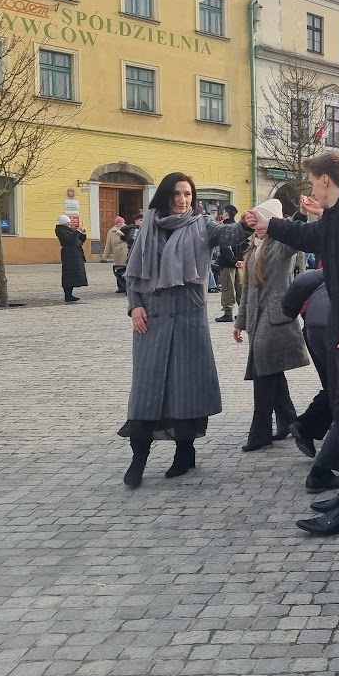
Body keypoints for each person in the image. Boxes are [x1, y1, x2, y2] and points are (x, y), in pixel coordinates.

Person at [247, 152, 339, 537]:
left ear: (325, 180)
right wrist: (270, 224)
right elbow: (311, 237)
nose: (310, 189)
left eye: (311, 182)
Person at [119, 172, 254, 487]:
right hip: (150, 318)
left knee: (186, 389)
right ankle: (138, 456)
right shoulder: (147, 227)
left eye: (188, 195)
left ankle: (185, 452)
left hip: (188, 319)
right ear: (166, 196)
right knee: (146, 391)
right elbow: (132, 274)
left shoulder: (201, 225)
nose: (183, 200)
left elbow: (229, 235)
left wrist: (246, 225)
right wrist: (134, 306)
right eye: (178, 194)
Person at [234, 199, 309, 452]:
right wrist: (240, 321)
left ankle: (260, 432)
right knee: (272, 372)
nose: (259, 225)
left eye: (263, 219)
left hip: (276, 318)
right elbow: (246, 289)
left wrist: (300, 215)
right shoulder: (253, 247)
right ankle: (289, 420)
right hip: (257, 318)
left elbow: (295, 237)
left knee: (263, 373)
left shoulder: (281, 245)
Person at [281, 268, 334, 460]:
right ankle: (308, 428)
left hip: (314, 323)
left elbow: (305, 280)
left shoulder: (333, 251)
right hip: (336, 326)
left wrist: (289, 310)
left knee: (338, 388)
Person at [215, 205, 248, 323]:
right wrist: (242, 260)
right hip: (240, 264)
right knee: (240, 289)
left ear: (226, 214)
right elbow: (246, 244)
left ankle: (228, 313)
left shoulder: (225, 228)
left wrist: (233, 260)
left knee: (228, 288)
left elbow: (225, 247)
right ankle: (242, 313)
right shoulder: (238, 228)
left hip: (228, 264)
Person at [55, 216, 88, 303]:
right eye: (67, 222)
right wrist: (78, 231)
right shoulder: (61, 231)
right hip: (68, 255)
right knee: (68, 275)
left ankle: (70, 294)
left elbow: (80, 240)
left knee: (75, 275)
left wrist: (83, 234)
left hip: (76, 254)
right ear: (63, 223)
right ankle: (67, 295)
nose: (69, 224)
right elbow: (70, 240)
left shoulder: (71, 230)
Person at [102, 217, 130, 293]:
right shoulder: (112, 231)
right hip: (118, 253)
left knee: (126, 270)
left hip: (127, 250)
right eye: (119, 222)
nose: (121, 223)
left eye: (123, 222)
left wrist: (121, 233)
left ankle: (127, 287)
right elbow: (108, 243)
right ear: (116, 223)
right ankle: (120, 287)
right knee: (119, 270)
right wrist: (106, 255)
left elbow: (130, 238)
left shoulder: (128, 229)